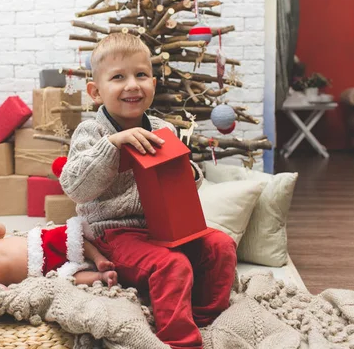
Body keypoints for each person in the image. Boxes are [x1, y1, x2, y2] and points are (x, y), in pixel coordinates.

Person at [59, 33, 237, 349]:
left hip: (164, 229)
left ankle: (203, 318)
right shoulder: (92, 131)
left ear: (153, 84)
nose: (132, 85)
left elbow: (186, 185)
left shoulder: (161, 129)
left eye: (141, 75)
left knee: (221, 245)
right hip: (113, 234)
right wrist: (111, 145)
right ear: (96, 92)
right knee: (172, 265)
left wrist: (187, 169)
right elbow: (75, 187)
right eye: (118, 77)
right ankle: (179, 341)